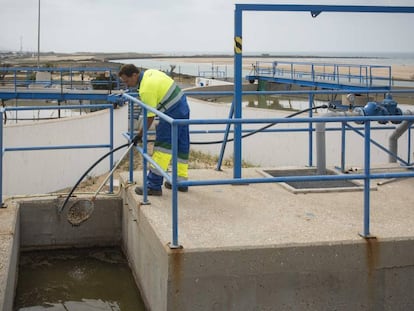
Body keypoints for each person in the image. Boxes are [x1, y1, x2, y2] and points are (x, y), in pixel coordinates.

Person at [118, 64, 190, 196]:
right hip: (182, 105)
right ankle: (181, 182)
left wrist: (139, 135)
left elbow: (149, 117)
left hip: (171, 112)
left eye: (127, 81)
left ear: (134, 75)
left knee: (163, 147)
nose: (127, 85)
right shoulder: (150, 73)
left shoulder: (146, 89)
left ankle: (154, 185)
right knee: (181, 144)